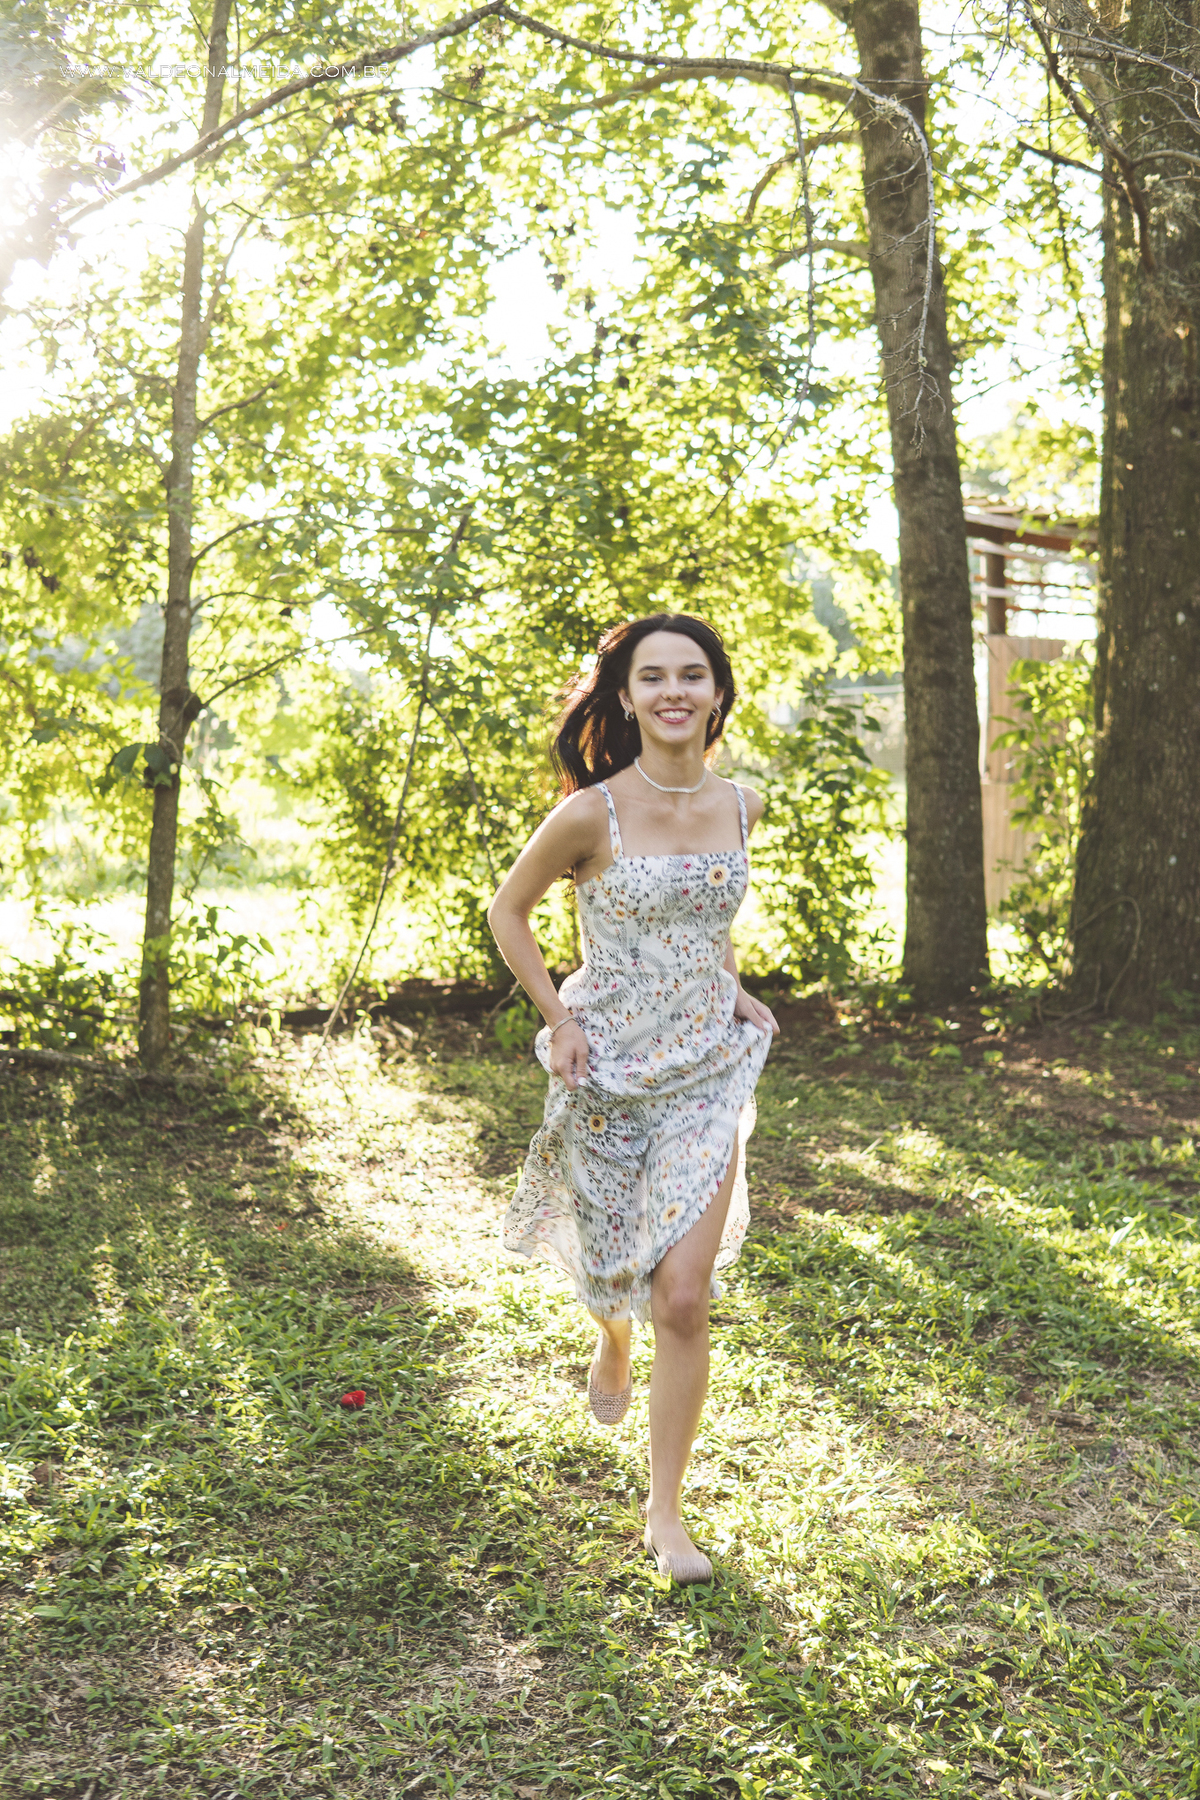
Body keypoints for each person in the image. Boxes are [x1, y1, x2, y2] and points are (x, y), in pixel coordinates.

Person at [487, 613, 778, 1583]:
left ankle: (665, 1514)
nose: (673, 692)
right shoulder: (590, 815)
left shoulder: (743, 804)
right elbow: (508, 910)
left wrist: (729, 983)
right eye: (652, 677)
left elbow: (708, 918)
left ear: (717, 692)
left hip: (705, 1068)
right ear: (625, 697)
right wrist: (557, 1020)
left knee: (684, 1298)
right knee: (618, 1273)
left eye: (692, 675)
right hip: (609, 1070)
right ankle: (610, 1335)